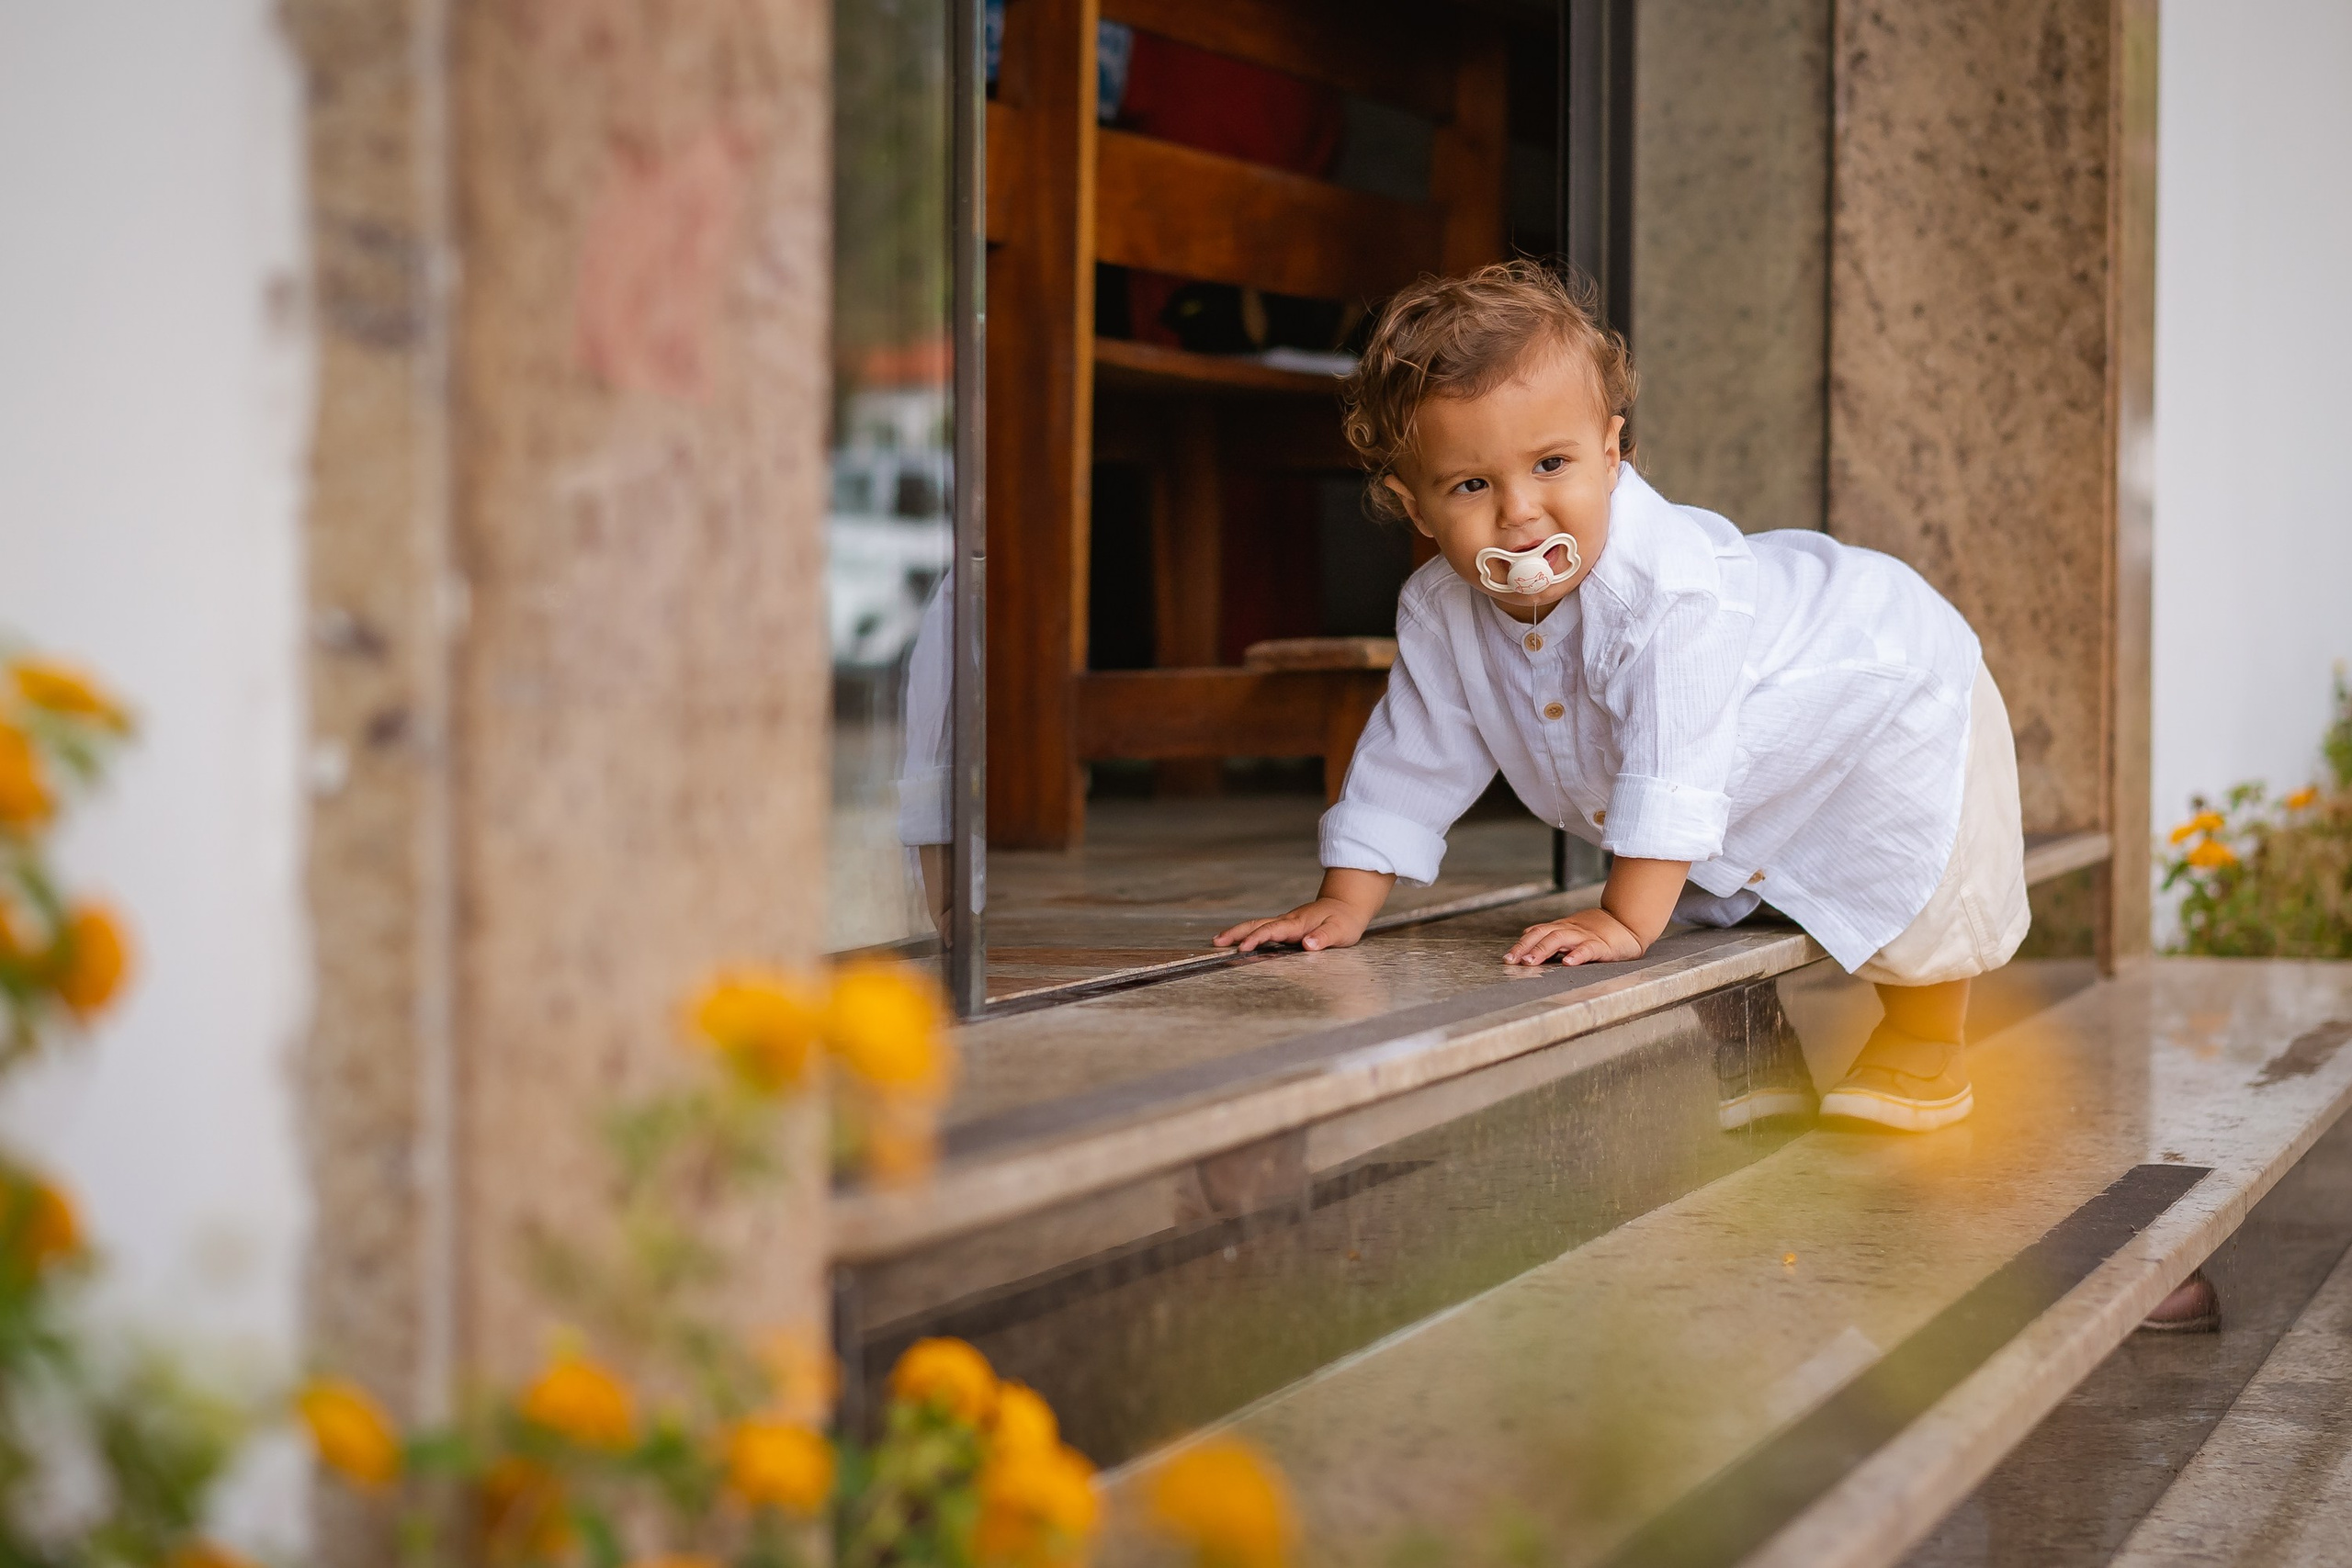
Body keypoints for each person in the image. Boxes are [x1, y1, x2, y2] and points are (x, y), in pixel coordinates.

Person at [1212, 261, 2029, 1134]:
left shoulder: (1667, 591)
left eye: (1551, 463)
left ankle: (1926, 1039)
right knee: (1691, 888)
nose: (1522, 512)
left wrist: (1623, 919)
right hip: (1746, 756)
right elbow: (1413, 753)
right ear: (1416, 508)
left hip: (1884, 685)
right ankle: (1748, 1042)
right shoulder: (1441, 614)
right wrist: (1345, 898)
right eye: (1472, 485)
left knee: (1909, 881)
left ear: (1612, 452)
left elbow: (1675, 763)